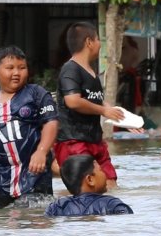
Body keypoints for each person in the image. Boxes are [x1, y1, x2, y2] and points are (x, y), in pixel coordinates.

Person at [54, 22, 126, 190]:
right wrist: (104, 111)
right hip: (74, 139)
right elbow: (73, 101)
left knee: (110, 184)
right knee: (83, 188)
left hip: (94, 139)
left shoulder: (91, 71)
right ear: (89, 42)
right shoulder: (70, 69)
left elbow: (97, 101)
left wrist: (125, 120)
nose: (100, 44)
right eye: (98, 39)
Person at [0, 46, 59, 209]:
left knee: (36, 218)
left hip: (35, 177)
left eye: (22, 68)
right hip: (0, 181)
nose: (16, 72)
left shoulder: (36, 94)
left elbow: (51, 122)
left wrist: (42, 151)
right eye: (10, 68)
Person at [45, 154, 133, 216]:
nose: (105, 174)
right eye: (101, 170)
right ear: (90, 180)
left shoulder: (57, 207)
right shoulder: (112, 204)